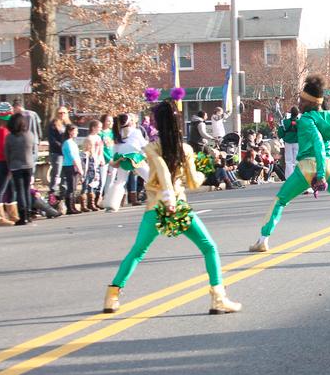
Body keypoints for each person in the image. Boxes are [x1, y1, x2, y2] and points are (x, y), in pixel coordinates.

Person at [103, 98, 242, 315]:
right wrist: (208, 167)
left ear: (157, 124)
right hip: (178, 207)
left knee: (137, 252)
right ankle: (218, 298)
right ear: (178, 122)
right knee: (209, 247)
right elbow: (192, 181)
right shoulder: (184, 149)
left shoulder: (151, 148)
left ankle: (112, 296)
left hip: (154, 209)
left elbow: (159, 170)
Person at [251, 75, 330, 254]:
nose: (299, 102)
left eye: (302, 100)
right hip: (329, 167)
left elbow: (318, 143)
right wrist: (323, 171)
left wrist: (319, 174)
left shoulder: (305, 120)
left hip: (307, 168)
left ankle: (263, 240)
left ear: (309, 102)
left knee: (280, 201)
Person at [4, 113, 35, 226]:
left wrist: (9, 165)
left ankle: (23, 216)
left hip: (16, 166)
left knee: (20, 190)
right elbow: (33, 150)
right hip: (29, 164)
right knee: (27, 189)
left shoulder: (10, 137)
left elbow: (7, 153)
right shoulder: (29, 135)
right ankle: (29, 213)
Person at [81, 120, 106, 212]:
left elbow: (100, 150)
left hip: (97, 162)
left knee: (94, 182)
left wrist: (101, 159)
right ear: (93, 128)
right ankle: (84, 204)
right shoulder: (89, 138)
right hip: (90, 162)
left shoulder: (99, 138)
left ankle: (92, 203)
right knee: (87, 181)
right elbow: (88, 151)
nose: (100, 129)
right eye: (98, 127)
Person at [12, 98, 41, 170]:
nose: (13, 111)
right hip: (34, 140)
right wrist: (39, 139)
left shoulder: (17, 117)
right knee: (32, 161)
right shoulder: (34, 114)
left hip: (23, 142)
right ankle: (31, 176)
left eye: (14, 109)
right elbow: (39, 128)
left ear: (17, 107)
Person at [46, 107, 70, 196]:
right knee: (56, 173)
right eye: (60, 113)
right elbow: (52, 140)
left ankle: (64, 193)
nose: (62, 114)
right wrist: (63, 147)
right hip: (57, 153)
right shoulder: (53, 125)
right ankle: (53, 193)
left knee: (65, 174)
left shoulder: (67, 124)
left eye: (64, 112)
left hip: (66, 153)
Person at [61, 124, 82, 215]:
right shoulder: (68, 143)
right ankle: (70, 207)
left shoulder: (72, 142)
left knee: (73, 187)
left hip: (73, 165)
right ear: (70, 131)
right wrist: (79, 168)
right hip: (70, 166)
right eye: (75, 131)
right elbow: (73, 157)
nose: (77, 132)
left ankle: (73, 206)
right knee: (71, 187)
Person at [278, 107, 300, 178]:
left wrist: (282, 136)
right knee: (297, 160)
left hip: (288, 142)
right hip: (297, 142)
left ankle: (289, 177)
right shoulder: (300, 122)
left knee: (288, 160)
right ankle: (297, 177)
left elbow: (280, 132)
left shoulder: (284, 122)